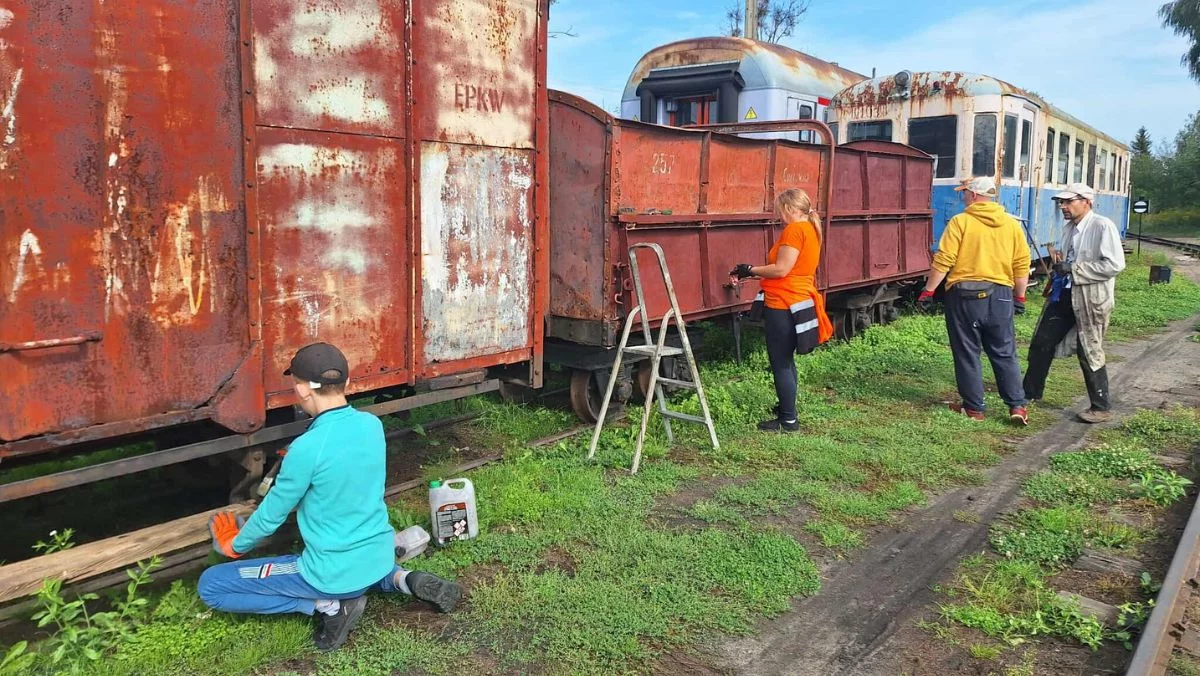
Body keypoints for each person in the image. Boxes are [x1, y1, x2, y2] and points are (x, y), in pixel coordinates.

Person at [198, 342, 463, 652]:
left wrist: (235, 545)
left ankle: (328, 606)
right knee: (362, 564)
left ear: (300, 390)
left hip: (330, 573)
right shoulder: (371, 425)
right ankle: (402, 579)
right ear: (346, 384)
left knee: (211, 585)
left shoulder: (306, 448)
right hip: (379, 553)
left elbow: (271, 515)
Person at [916, 176, 1031, 425]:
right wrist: (1019, 296)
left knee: (967, 352)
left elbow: (944, 260)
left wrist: (928, 291)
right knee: (1004, 352)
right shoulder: (1011, 225)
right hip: (1001, 295)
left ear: (974, 195)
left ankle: (974, 409)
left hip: (964, 296)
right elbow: (1021, 264)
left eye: (965, 193)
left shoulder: (961, 222)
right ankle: (1017, 407)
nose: (963, 197)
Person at [731, 188, 833, 432]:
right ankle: (788, 411)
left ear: (789, 209)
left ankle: (788, 420)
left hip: (783, 302)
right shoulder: (811, 228)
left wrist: (750, 269)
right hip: (798, 298)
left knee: (781, 363)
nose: (779, 216)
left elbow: (781, 269)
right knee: (787, 362)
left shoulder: (795, 230)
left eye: (780, 211)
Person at [1022, 182, 1125, 423]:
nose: (1063, 207)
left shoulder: (1102, 226)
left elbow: (1114, 265)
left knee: (1088, 348)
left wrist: (1074, 269)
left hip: (1091, 299)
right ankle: (1029, 393)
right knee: (1042, 341)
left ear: (1086, 201)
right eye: (1061, 202)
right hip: (1065, 295)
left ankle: (1101, 407)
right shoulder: (1070, 228)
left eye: (1068, 202)